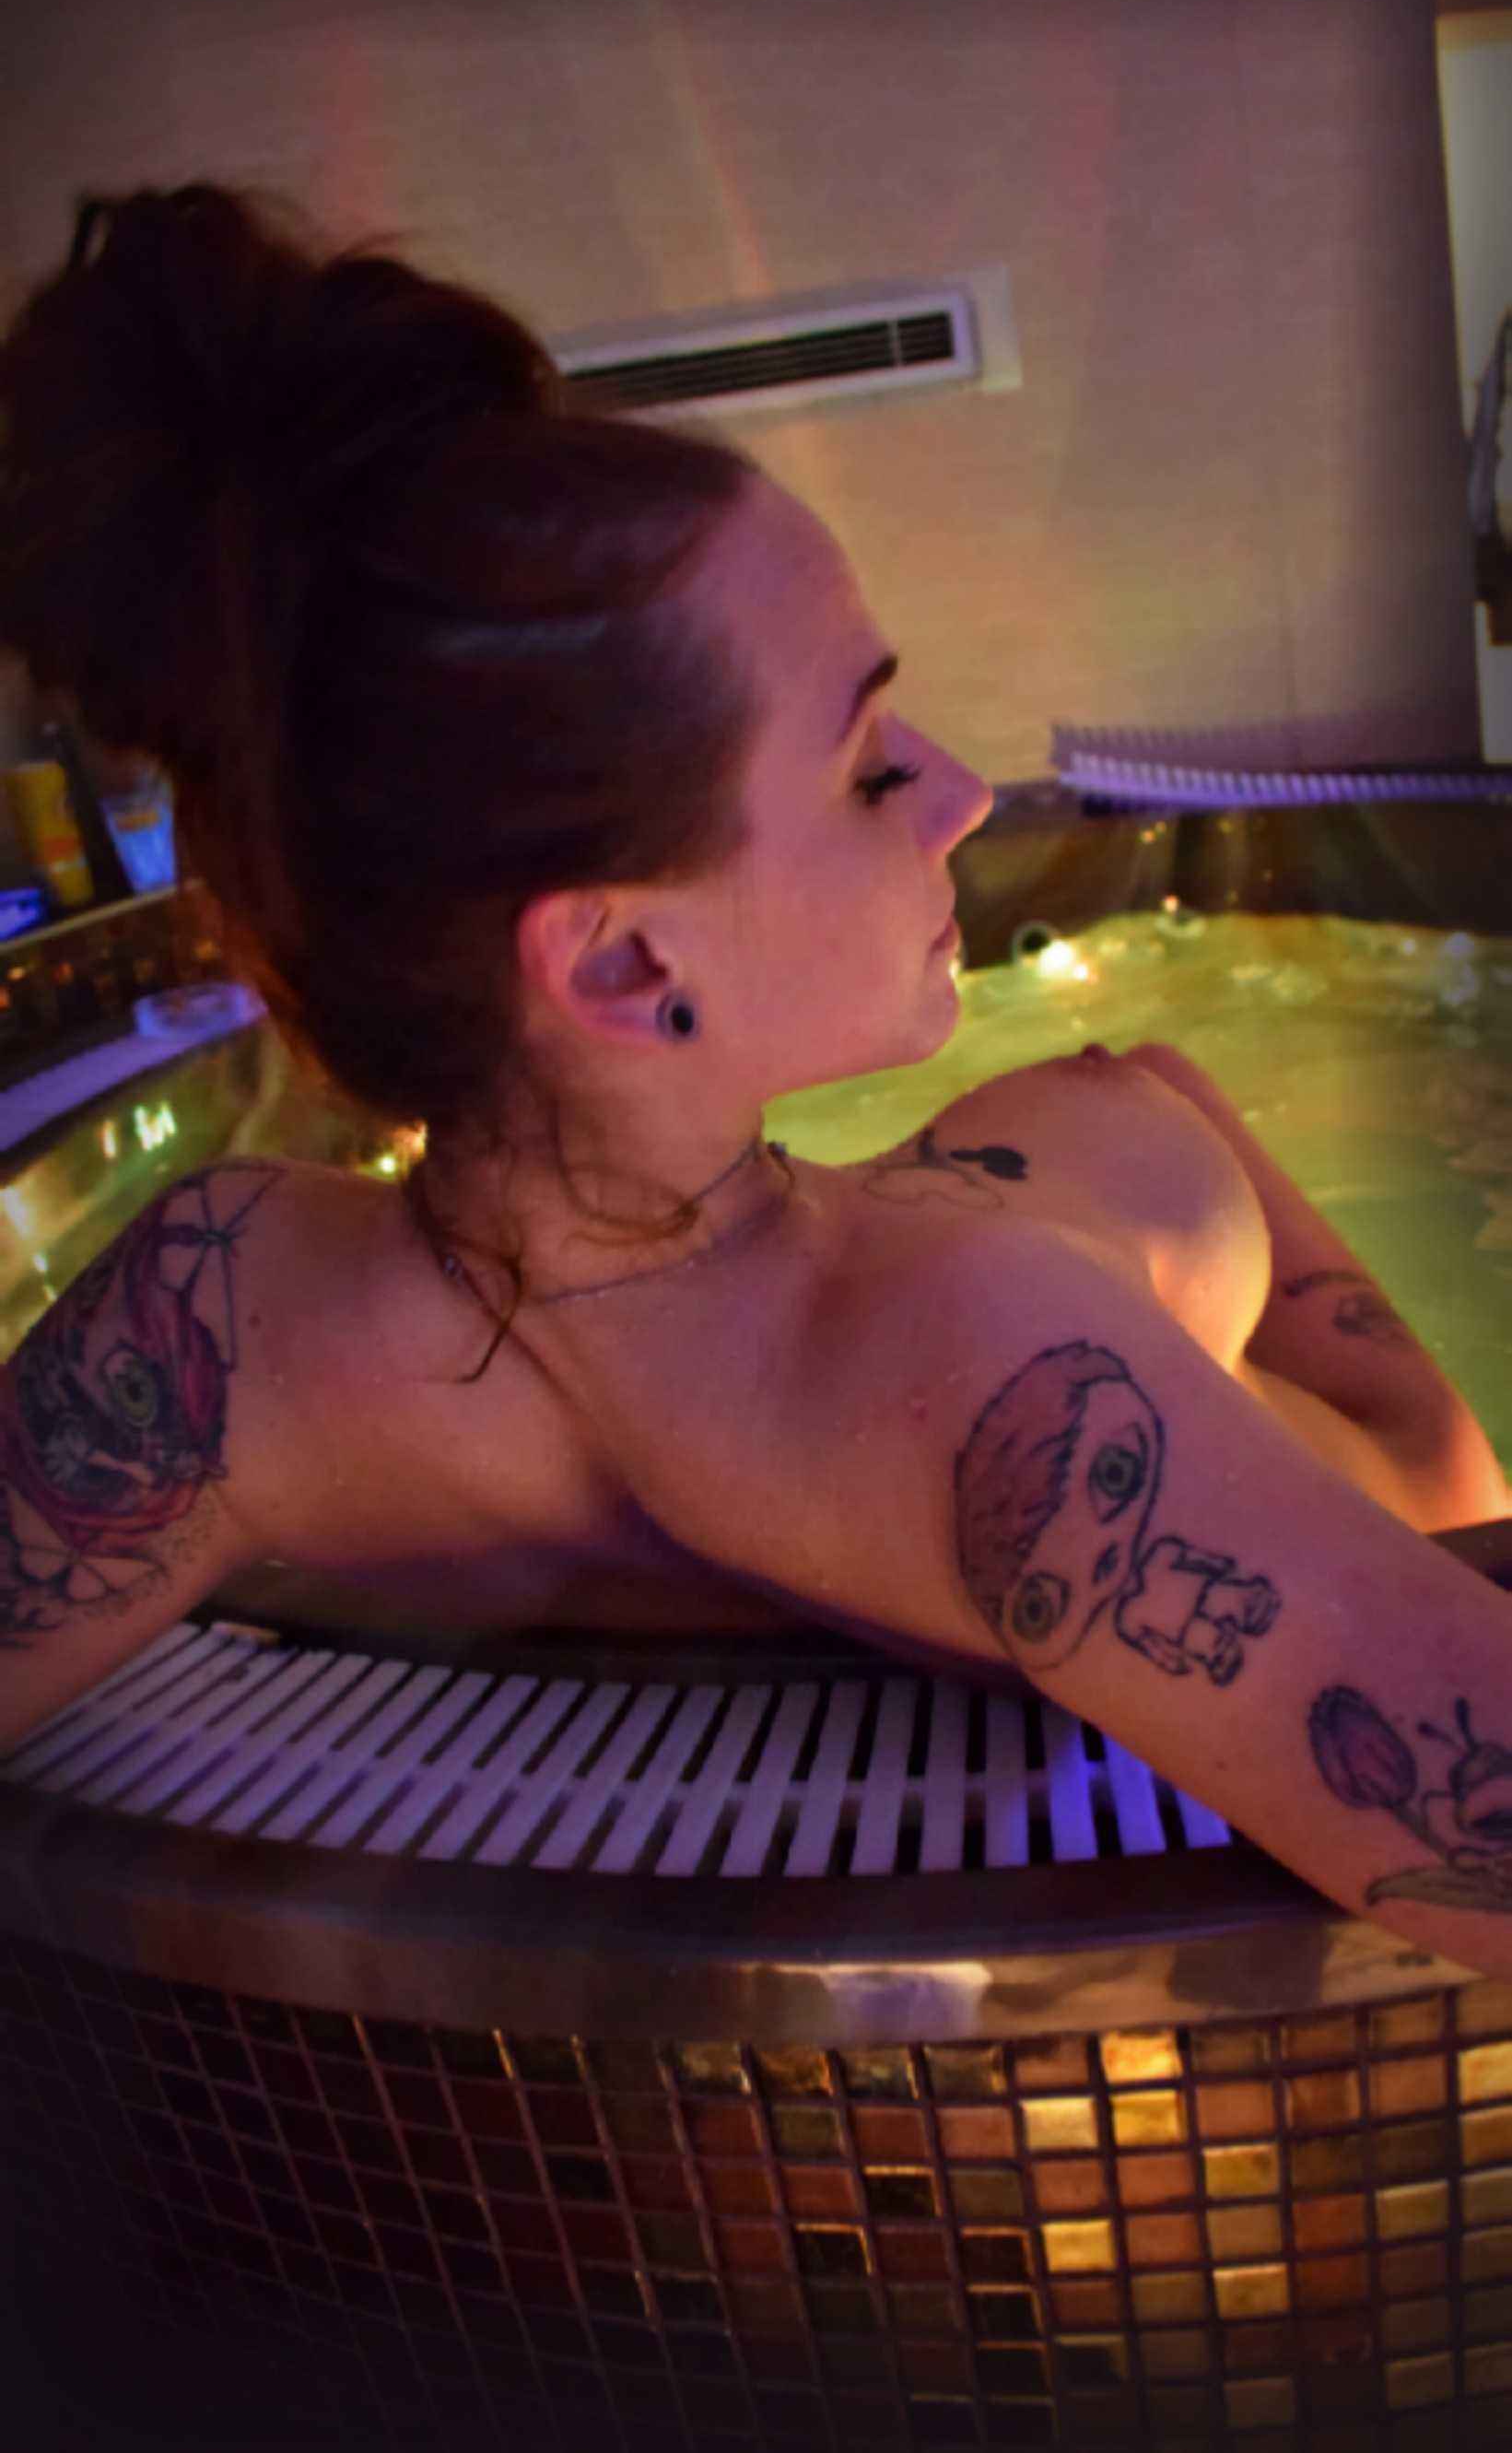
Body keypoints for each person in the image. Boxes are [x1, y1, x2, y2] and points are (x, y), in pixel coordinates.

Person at [3, 183, 1511, 1976]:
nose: (961, 795)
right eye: (868, 763)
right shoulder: (990, 1371)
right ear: (626, 965)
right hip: (1417, 1481)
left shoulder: (218, 1316)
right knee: (1130, 1104)